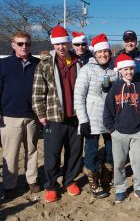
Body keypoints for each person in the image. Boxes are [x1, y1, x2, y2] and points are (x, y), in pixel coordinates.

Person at [32, 25, 83, 203]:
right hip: (54, 117)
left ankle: (69, 180)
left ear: (69, 43)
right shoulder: (45, 64)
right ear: (53, 45)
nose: (61, 47)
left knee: (74, 152)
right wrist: (41, 114)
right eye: (57, 44)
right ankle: (51, 185)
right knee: (52, 154)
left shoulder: (79, 62)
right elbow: (38, 92)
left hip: (76, 116)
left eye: (64, 43)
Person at [74, 34, 118, 198]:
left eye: (105, 52)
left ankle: (107, 175)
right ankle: (93, 180)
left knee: (110, 150)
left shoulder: (115, 70)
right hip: (92, 117)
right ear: (95, 53)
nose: (103, 55)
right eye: (99, 52)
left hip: (111, 118)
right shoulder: (87, 70)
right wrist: (83, 120)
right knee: (91, 151)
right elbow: (79, 96)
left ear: (109, 52)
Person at [103, 53, 140, 203]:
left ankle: (139, 187)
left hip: (138, 132)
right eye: (125, 69)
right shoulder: (115, 88)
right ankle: (121, 188)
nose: (129, 72)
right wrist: (112, 130)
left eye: (131, 69)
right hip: (119, 132)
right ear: (120, 71)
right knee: (119, 163)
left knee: (139, 161)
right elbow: (108, 111)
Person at [0, 31, 41, 198]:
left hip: (33, 116)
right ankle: (10, 185)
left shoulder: (38, 63)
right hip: (10, 116)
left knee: (32, 150)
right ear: (13, 45)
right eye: (20, 43)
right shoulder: (4, 64)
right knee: (11, 152)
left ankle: (32, 180)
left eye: (27, 43)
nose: (24, 47)